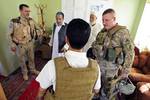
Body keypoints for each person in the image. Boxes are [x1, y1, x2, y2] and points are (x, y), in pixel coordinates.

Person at [36, 18, 101, 100]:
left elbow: (41, 92)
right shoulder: (95, 67)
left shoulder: (53, 65)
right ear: (87, 41)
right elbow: (96, 90)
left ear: (66, 39)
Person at [91, 8, 135, 99]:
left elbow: (130, 53)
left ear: (114, 19)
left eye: (106, 20)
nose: (104, 22)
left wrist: (125, 72)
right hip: (98, 69)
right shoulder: (102, 32)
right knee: (95, 92)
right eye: (103, 20)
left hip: (110, 73)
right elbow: (95, 45)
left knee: (107, 95)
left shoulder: (123, 33)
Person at [8, 4, 42, 80]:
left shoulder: (31, 20)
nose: (28, 12)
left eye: (28, 11)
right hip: (20, 45)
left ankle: (32, 70)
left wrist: (39, 33)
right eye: (26, 11)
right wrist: (12, 44)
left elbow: (38, 29)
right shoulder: (14, 21)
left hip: (30, 43)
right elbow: (9, 34)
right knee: (22, 61)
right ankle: (25, 73)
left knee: (31, 58)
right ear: (20, 11)